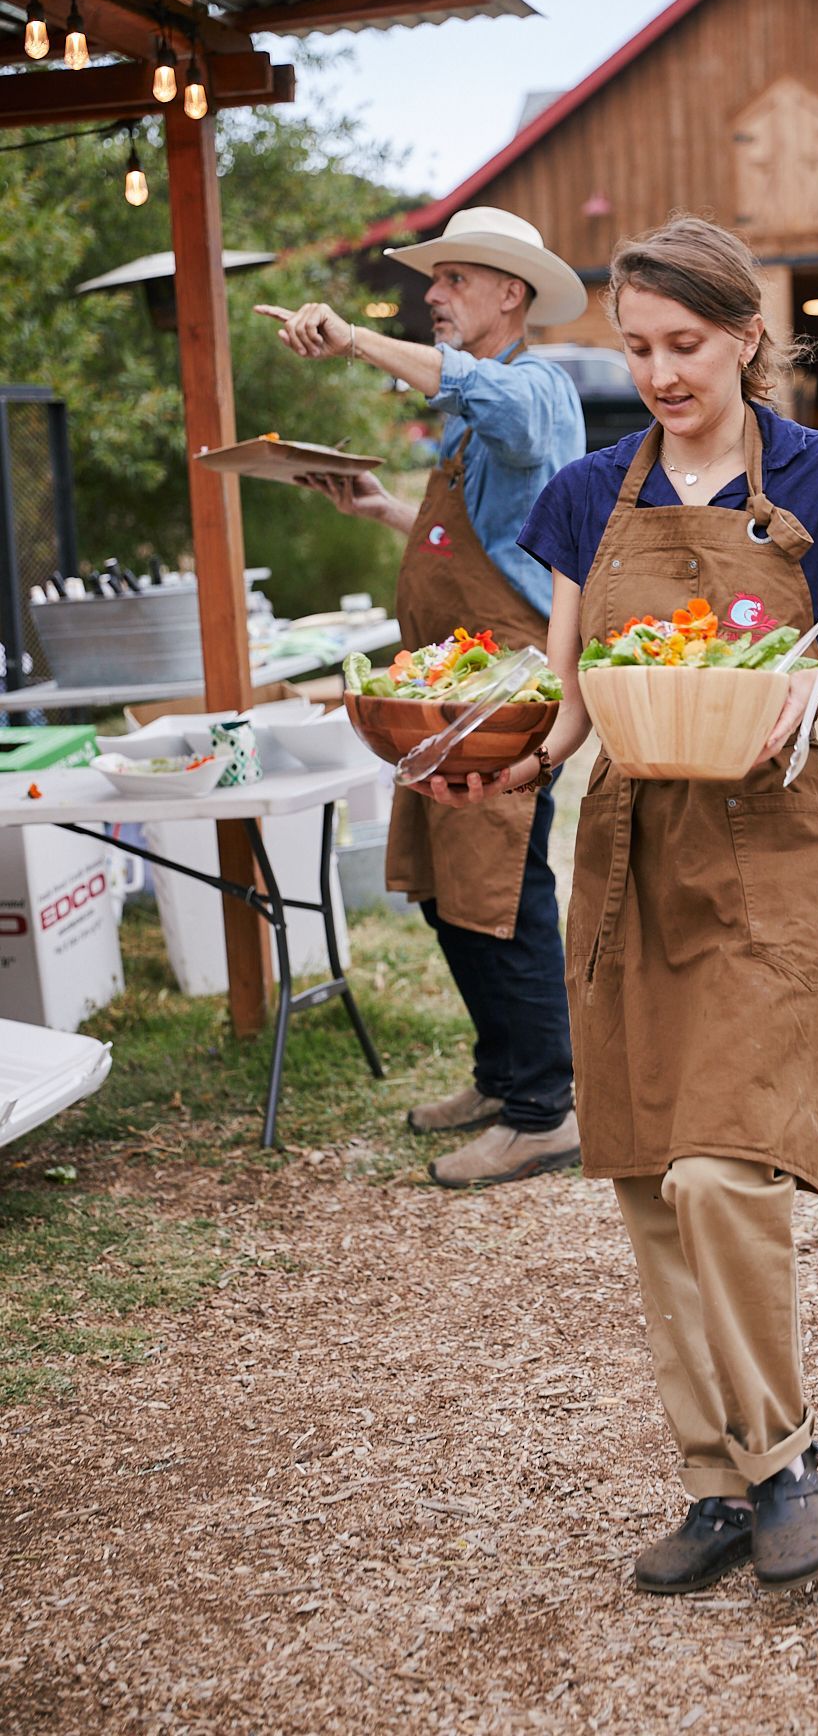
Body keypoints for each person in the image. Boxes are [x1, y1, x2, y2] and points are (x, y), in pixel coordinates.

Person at [413, 214, 818, 1594]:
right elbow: (572, 696)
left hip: (772, 851)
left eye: (687, 345)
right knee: (650, 1179)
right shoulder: (587, 495)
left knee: (724, 1169)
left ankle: (785, 1459)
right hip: (631, 857)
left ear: (746, 337)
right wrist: (514, 762)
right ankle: (716, 1483)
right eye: (639, 346)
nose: (660, 372)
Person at [254, 208, 587, 1188]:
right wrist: (382, 508)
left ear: (511, 294)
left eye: (452, 280)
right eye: (431, 282)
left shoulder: (535, 389)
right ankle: (503, 1077)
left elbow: (491, 401)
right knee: (451, 896)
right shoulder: (473, 414)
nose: (432, 296)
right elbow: (488, 540)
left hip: (506, 689)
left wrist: (354, 339)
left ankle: (545, 1113)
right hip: (451, 689)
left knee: (503, 894)